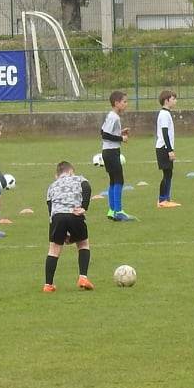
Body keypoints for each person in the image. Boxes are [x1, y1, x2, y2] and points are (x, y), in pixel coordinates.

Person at [42, 161, 94, 293]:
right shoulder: (78, 178)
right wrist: (84, 207)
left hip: (57, 216)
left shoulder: (52, 186)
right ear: (71, 171)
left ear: (57, 175)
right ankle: (83, 277)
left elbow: (50, 207)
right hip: (74, 213)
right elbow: (87, 187)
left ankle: (48, 285)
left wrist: (57, 227)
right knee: (83, 244)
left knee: (53, 250)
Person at [99, 90, 129, 222]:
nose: (126, 104)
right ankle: (118, 211)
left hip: (108, 152)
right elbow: (104, 135)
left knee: (113, 180)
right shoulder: (114, 117)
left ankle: (112, 210)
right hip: (111, 152)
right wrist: (121, 138)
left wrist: (119, 133)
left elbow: (103, 130)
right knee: (119, 180)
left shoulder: (111, 116)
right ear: (116, 103)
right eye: (124, 102)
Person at [154, 91, 180, 208]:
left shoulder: (166, 113)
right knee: (166, 173)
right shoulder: (164, 114)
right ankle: (162, 200)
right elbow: (165, 133)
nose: (175, 101)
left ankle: (166, 198)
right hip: (163, 148)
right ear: (166, 101)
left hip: (165, 147)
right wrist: (169, 150)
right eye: (173, 99)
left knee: (169, 173)